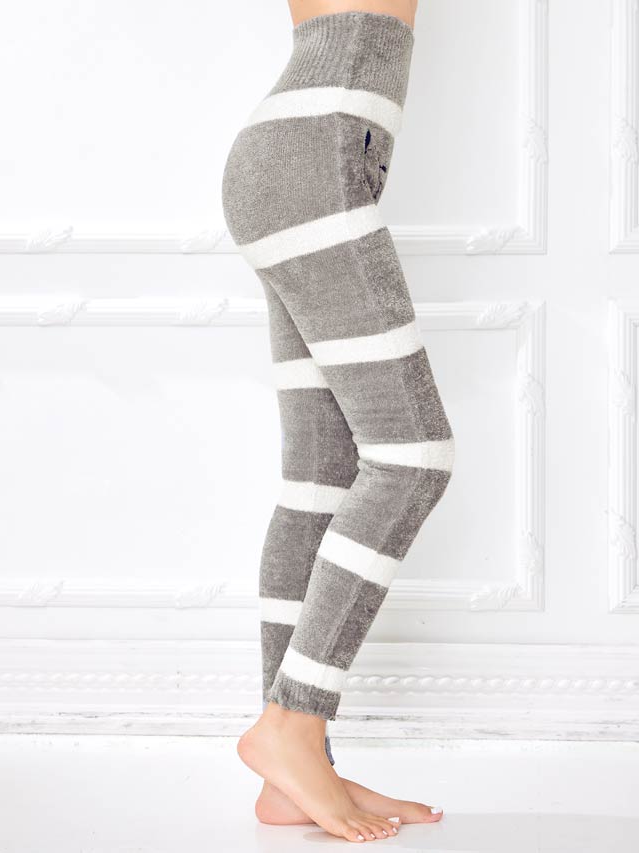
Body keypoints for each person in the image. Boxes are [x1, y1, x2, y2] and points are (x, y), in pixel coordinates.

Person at [221, 0, 454, 842]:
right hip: (315, 161)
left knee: (321, 474)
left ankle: (293, 765)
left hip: (295, 159)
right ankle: (293, 720)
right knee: (412, 457)